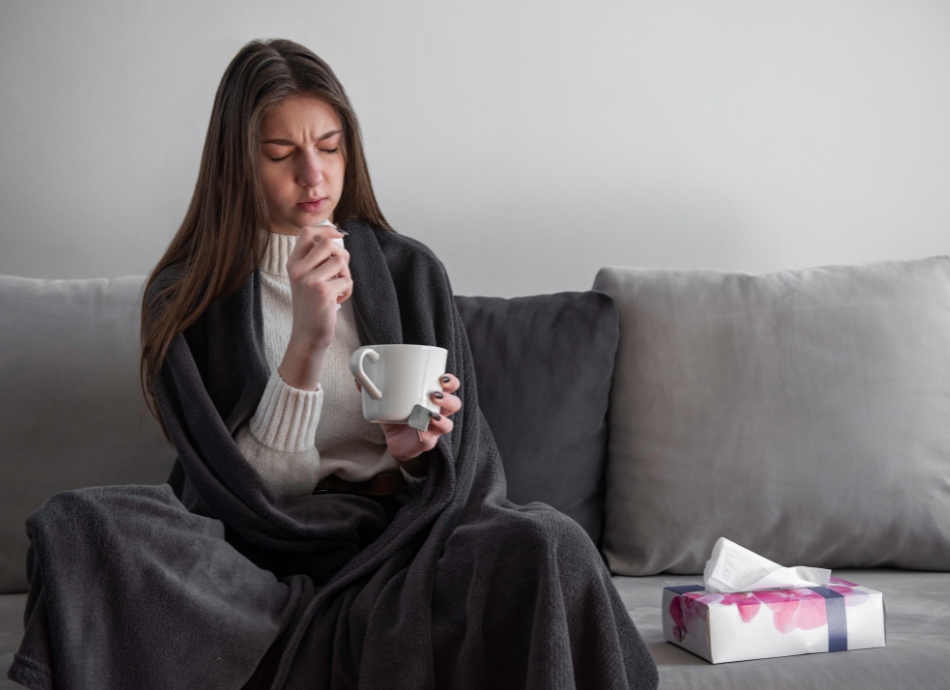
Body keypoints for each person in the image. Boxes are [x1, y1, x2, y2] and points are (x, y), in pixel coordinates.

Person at [8, 38, 658, 690]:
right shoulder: (187, 299)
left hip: (405, 545)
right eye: (281, 154)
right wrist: (307, 343)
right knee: (84, 525)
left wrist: (417, 456)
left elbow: (464, 480)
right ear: (238, 164)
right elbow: (237, 494)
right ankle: (307, 620)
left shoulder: (411, 273)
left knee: (551, 541)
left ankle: (321, 623)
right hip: (249, 558)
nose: (313, 175)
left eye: (329, 146)